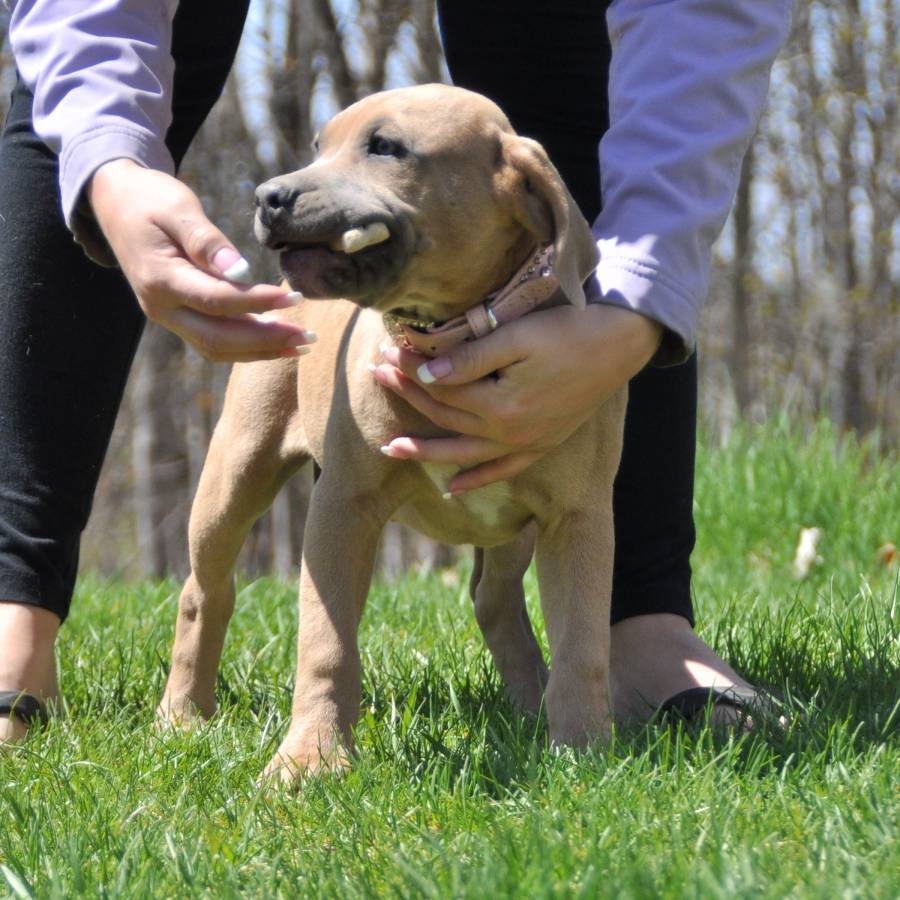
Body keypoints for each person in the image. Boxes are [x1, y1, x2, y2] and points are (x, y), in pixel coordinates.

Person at [0, 0, 792, 743]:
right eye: (326, 151)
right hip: (310, 369)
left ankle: (631, 641)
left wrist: (635, 305)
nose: (286, 191)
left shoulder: (539, 211)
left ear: (521, 193)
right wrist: (108, 161)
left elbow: (699, 22)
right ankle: (56, 617)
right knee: (223, 520)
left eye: (383, 151)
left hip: (562, 235)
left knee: (561, 46)